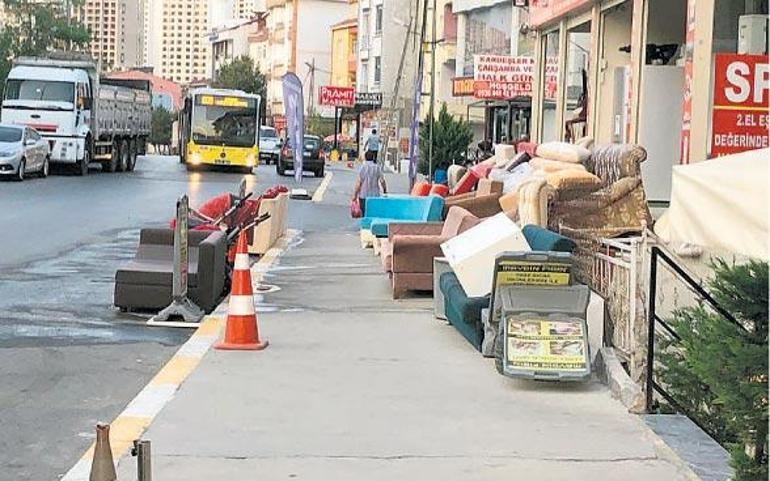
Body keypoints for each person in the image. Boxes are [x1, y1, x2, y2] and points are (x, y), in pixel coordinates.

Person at [351, 152, 387, 217]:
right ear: (373, 158)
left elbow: (359, 183)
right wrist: (385, 190)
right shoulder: (377, 167)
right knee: (374, 214)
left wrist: (355, 194)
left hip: (363, 195)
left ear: (365, 158)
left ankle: (365, 226)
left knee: (364, 214)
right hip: (375, 195)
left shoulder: (363, 168)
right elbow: (382, 181)